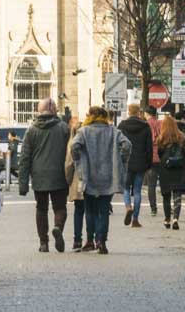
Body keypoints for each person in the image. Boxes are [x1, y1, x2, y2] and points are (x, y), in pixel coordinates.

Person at [69, 106, 130, 255]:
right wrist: (121, 159)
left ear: (91, 116)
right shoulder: (113, 131)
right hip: (108, 176)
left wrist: (78, 159)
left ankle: (90, 240)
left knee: (90, 209)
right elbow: (127, 145)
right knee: (104, 210)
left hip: (88, 175)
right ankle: (102, 242)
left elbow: (74, 146)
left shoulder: (84, 131)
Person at [16, 99, 72, 252]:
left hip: (39, 176)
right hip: (59, 175)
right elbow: (71, 153)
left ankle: (43, 243)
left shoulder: (32, 130)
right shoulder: (63, 128)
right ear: (54, 110)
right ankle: (58, 227)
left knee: (41, 209)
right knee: (60, 207)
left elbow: (24, 158)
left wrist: (23, 184)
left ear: (39, 111)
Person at [119, 103, 155, 227]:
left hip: (126, 163)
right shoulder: (145, 127)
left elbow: (118, 145)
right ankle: (135, 219)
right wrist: (149, 164)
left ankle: (128, 207)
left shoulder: (122, 126)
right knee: (137, 191)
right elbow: (149, 148)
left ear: (129, 112)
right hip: (140, 163)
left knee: (125, 188)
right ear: (139, 112)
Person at [154, 111, 185, 229]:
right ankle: (175, 218)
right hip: (179, 169)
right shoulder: (181, 137)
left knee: (166, 196)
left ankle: (167, 219)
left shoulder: (161, 138)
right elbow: (184, 153)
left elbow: (159, 154)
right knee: (177, 195)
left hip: (166, 169)